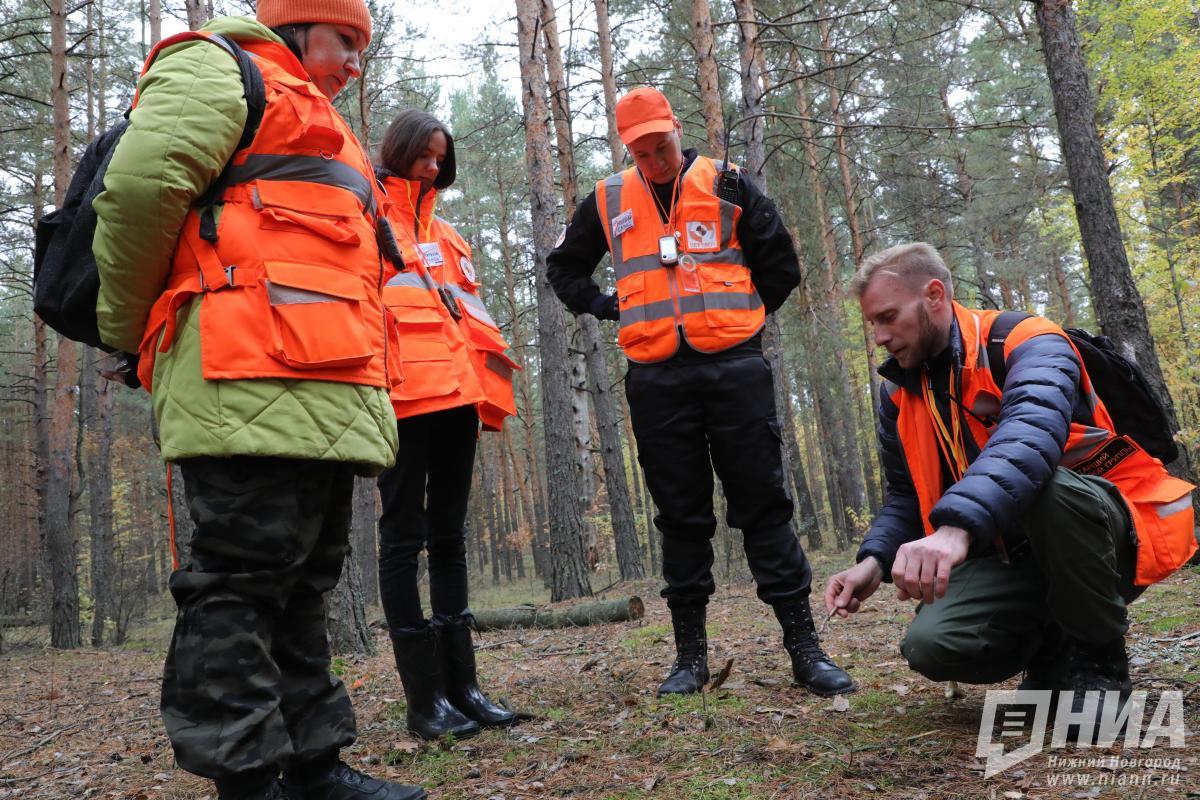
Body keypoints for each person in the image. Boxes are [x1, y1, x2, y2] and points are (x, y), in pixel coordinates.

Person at [91, 3, 426, 799]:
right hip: (242, 374)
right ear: (298, 27)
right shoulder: (220, 67)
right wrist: (128, 328)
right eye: (344, 40)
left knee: (308, 584)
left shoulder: (329, 126)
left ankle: (315, 767)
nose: (354, 62)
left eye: (360, 46)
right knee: (238, 586)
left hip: (332, 387)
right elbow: (140, 193)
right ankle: (244, 780)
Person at [546, 87, 855, 698]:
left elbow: (781, 266)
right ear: (625, 146)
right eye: (640, 150)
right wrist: (610, 308)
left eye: (661, 146)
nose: (654, 159)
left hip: (734, 371)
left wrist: (741, 322)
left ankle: (805, 649)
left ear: (676, 130)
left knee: (763, 505)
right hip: (657, 380)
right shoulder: (608, 198)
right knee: (681, 517)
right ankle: (689, 659)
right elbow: (564, 267)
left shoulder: (730, 183)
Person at [825, 242, 1196, 708]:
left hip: (1114, 528)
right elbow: (906, 493)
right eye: (872, 323)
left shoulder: (1027, 341)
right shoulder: (900, 393)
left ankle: (1099, 659)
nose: (878, 336)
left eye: (888, 317)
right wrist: (873, 562)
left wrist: (956, 530)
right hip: (1012, 549)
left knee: (1046, 487)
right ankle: (1053, 645)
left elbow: (1029, 438)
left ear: (935, 296)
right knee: (933, 644)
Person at [373, 110, 522, 740]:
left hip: (458, 398)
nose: (434, 167)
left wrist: (484, 395)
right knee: (402, 538)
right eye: (425, 156)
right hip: (402, 398)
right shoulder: (366, 214)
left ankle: (464, 687)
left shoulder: (448, 234)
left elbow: (466, 319)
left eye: (442, 158)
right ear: (401, 150)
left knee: (451, 536)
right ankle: (423, 700)